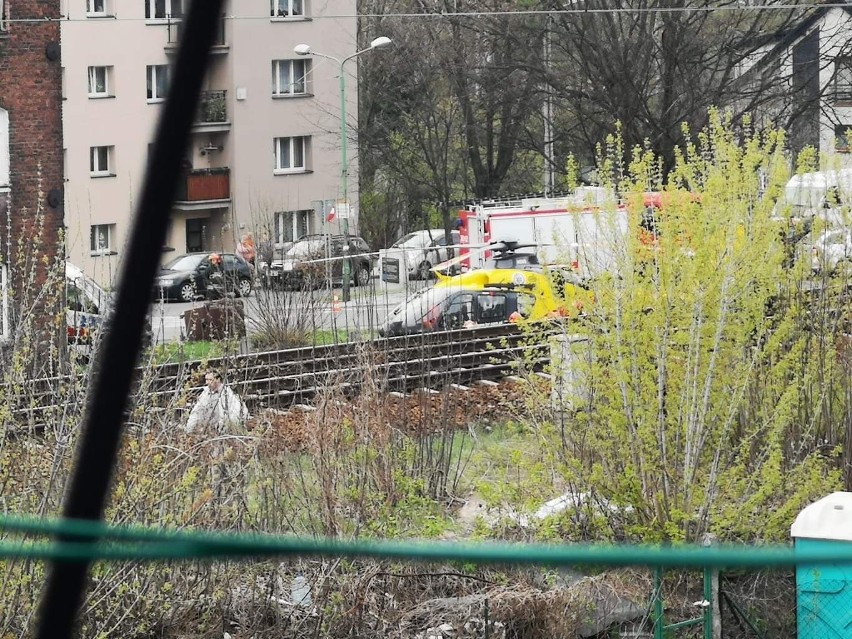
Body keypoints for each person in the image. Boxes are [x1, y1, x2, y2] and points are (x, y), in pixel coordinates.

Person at [185, 369, 249, 434]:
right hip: (210, 429)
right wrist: (189, 430)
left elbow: (234, 413)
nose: (207, 382)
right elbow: (197, 411)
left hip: (225, 430)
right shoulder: (206, 393)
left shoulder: (226, 393)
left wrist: (224, 430)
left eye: (210, 380)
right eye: (206, 379)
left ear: (218, 380)